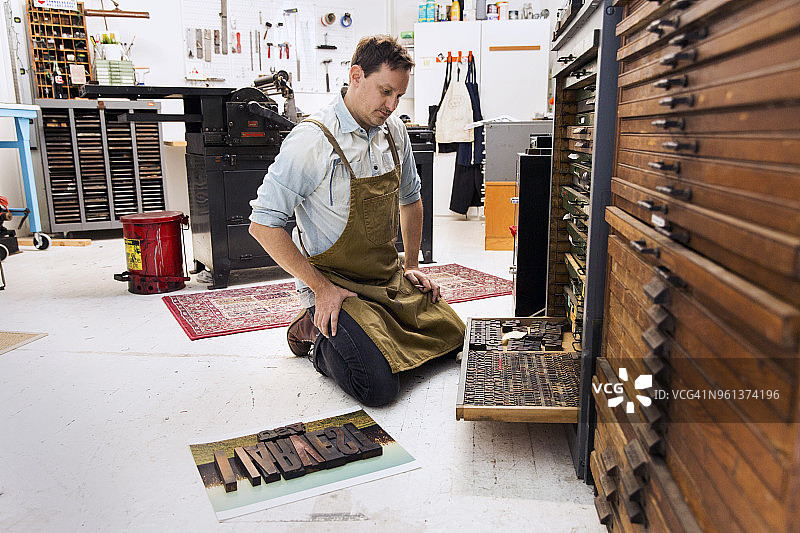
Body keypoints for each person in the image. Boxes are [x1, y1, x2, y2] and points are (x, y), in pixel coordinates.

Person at [249, 35, 465, 407]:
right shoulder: (311, 140)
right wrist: (320, 289)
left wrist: (411, 266)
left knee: (458, 338)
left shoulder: (394, 132)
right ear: (356, 75)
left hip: (385, 277)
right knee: (377, 388)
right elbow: (263, 225)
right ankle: (313, 332)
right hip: (336, 286)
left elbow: (411, 199)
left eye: (398, 96)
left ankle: (367, 328)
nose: (392, 105)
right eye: (385, 92)